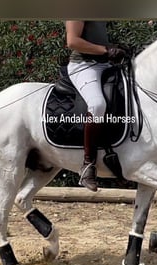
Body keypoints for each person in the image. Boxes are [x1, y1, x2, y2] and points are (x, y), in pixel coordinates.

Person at [65, 21, 126, 192]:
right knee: (98, 105)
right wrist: (106, 50)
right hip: (83, 66)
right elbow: (72, 41)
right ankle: (87, 165)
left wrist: (116, 48)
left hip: (105, 65)